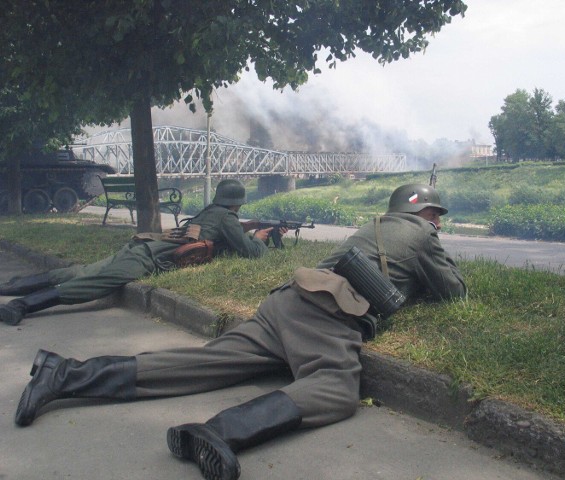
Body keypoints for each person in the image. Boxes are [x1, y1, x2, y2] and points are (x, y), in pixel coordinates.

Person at [13, 183, 466, 480]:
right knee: (335, 389)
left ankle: (66, 374)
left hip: (285, 302)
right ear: (419, 211)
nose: (439, 221)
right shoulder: (422, 234)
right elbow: (454, 292)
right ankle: (218, 433)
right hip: (325, 317)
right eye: (435, 213)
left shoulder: (371, 229)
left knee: (203, 363)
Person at [0, 179, 282, 325]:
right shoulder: (228, 219)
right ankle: (22, 305)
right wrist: (258, 239)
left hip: (140, 247)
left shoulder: (211, 212)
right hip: (147, 257)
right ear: (238, 202)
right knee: (93, 284)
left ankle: (12, 288)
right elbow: (251, 253)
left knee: (81, 271)